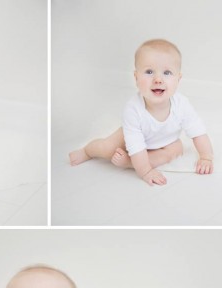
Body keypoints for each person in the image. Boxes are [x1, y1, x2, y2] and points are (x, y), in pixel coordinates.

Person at [68, 39, 214, 186]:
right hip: (131, 139)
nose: (158, 79)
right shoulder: (133, 109)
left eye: (167, 72)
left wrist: (206, 157)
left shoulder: (182, 104)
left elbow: (198, 132)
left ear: (178, 79)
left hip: (167, 141)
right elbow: (136, 145)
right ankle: (87, 151)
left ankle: (129, 163)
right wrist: (146, 171)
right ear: (136, 78)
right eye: (149, 72)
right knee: (107, 148)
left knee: (176, 151)